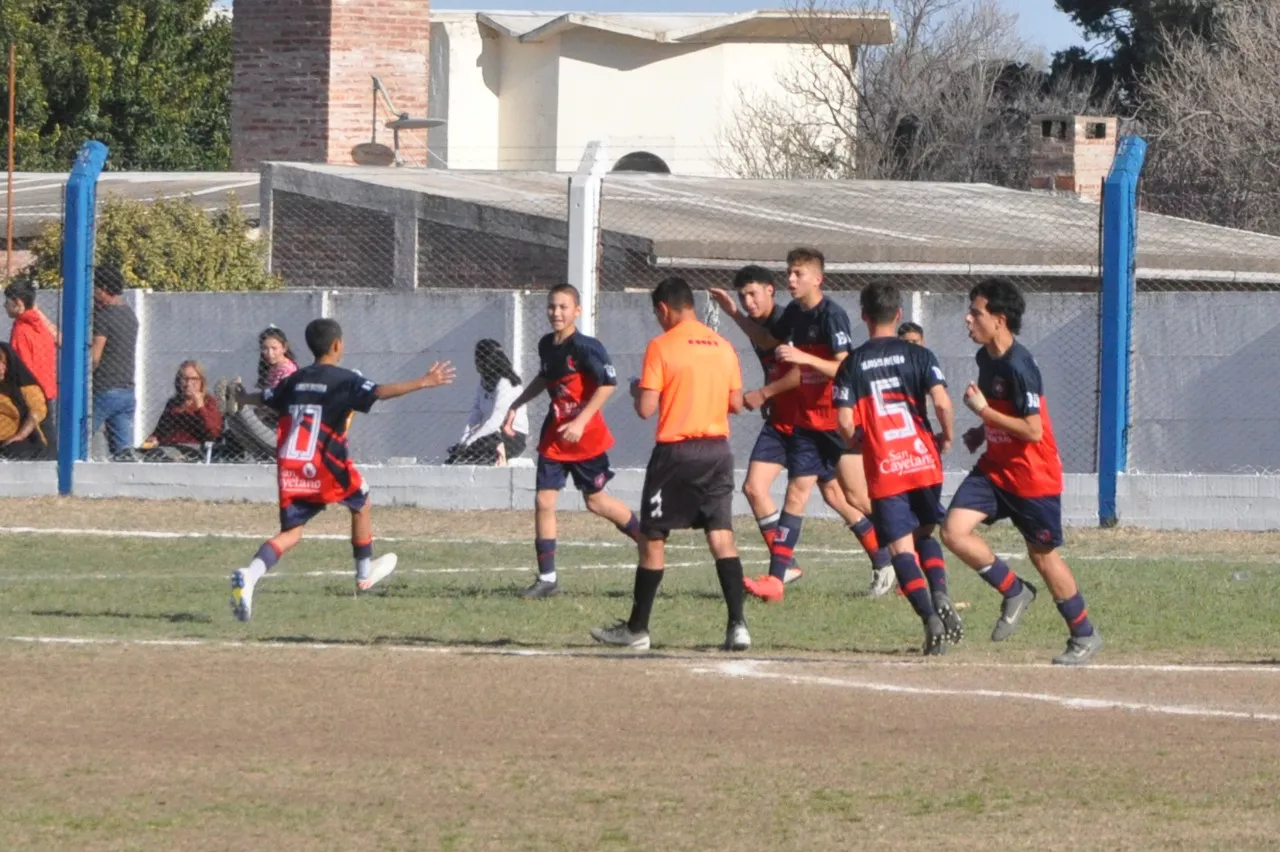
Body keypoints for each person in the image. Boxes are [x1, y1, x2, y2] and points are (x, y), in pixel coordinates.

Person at [227, 318, 456, 621]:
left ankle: (250, 574)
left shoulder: (295, 379)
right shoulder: (344, 380)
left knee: (291, 533)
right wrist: (423, 381)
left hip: (290, 465)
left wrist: (241, 398)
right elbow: (380, 392)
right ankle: (364, 574)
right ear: (337, 345)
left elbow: (264, 397)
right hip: (323, 463)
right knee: (360, 498)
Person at [710, 248, 891, 604]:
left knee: (855, 498)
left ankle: (906, 555)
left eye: (797, 274)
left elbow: (844, 368)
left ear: (816, 278)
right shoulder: (793, 314)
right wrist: (732, 312)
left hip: (837, 421)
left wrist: (801, 360)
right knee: (796, 493)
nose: (790, 280)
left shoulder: (832, 315)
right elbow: (766, 341)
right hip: (807, 423)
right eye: (789, 273)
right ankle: (777, 579)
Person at [940, 277, 1102, 666]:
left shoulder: (1021, 365)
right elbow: (1003, 413)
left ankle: (1083, 634)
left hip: (1033, 477)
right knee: (952, 531)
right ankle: (1014, 591)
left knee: (1043, 556)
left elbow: (1032, 429)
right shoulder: (985, 358)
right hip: (996, 469)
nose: (968, 319)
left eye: (975, 312)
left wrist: (983, 413)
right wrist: (983, 430)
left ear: (999, 319)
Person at [590, 276, 750, 652]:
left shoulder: (662, 346)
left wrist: (636, 390)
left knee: (653, 538)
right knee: (721, 536)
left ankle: (638, 629)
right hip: (717, 450)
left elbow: (646, 409)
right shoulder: (724, 346)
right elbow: (737, 403)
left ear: (663, 309)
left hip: (676, 454)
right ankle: (738, 625)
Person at [834, 283, 958, 656]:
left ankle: (929, 619)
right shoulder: (919, 354)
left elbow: (842, 421)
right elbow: (942, 402)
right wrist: (946, 437)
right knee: (924, 535)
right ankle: (939, 593)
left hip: (886, 466)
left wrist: (856, 440)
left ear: (864, 316)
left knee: (900, 547)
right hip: (923, 461)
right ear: (899, 314)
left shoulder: (852, 363)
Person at [502, 284, 643, 599]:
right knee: (544, 502)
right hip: (555, 437)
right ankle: (547, 579)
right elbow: (545, 378)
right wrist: (516, 404)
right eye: (552, 306)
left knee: (596, 502)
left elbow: (608, 384)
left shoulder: (586, 347)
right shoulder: (546, 345)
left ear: (577, 311)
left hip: (584, 438)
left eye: (564, 307)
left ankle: (647, 540)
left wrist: (580, 421)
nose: (556, 312)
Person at [447, 338, 528, 466]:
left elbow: (496, 420)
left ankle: (498, 451)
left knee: (479, 447)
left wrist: (470, 442)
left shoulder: (506, 383)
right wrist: (464, 439)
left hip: (512, 437)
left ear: (489, 360)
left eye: (479, 359)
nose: (476, 363)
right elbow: (476, 413)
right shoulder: (484, 381)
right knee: (456, 455)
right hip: (490, 433)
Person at [91, 266, 139, 457]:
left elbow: (95, 356)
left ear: (102, 288)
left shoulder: (104, 317)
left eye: (95, 288)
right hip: (126, 389)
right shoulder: (129, 314)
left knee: (78, 436)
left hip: (104, 389)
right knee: (123, 451)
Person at [142, 361, 224, 453]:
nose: (188, 384)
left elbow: (214, 433)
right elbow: (158, 433)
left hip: (194, 450)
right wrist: (147, 444)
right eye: (184, 379)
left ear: (202, 381)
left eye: (194, 379)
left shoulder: (209, 402)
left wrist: (200, 406)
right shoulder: (174, 403)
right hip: (167, 448)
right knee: (133, 453)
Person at [4, 280, 58, 404]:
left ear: (18, 302)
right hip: (45, 388)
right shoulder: (41, 325)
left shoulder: (21, 329)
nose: (5, 306)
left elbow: (20, 365)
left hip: (29, 394)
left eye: (7, 302)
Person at [0, 342, 54, 460]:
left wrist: (21, 435)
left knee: (14, 450)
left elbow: (37, 411)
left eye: (3, 363)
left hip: (24, 440)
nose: (1, 367)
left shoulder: (25, 385)